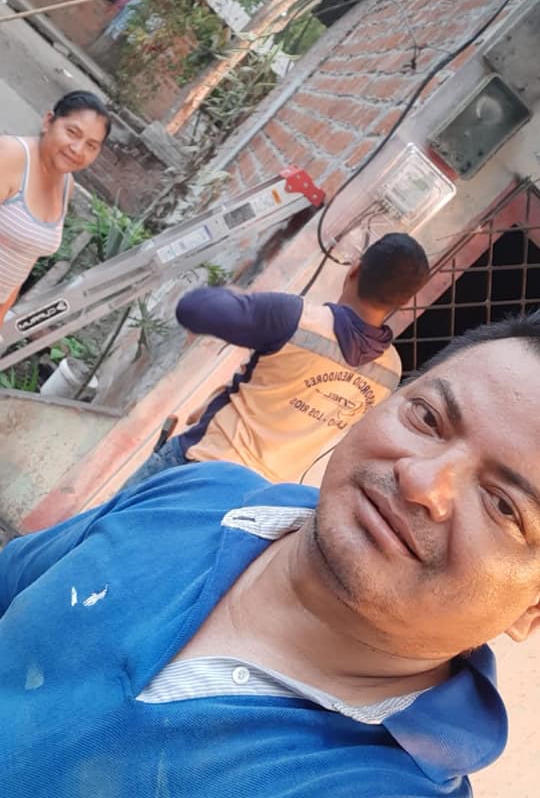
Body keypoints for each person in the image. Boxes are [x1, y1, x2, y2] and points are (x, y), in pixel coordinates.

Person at [1, 309, 539, 798]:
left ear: (532, 609)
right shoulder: (197, 492)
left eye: (503, 506)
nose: (421, 481)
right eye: (426, 418)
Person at [126, 232, 430, 487]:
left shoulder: (297, 319)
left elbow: (193, 309)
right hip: (254, 499)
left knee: (102, 533)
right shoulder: (390, 372)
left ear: (355, 269)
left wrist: (238, 294)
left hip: (199, 463)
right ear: (404, 302)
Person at [0, 90, 111, 324]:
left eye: (91, 145)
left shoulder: (66, 186)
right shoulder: (11, 156)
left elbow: (23, 262)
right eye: (72, 132)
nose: (78, 149)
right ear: (48, 121)